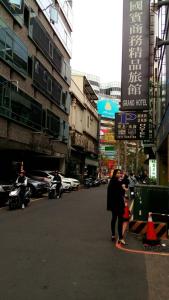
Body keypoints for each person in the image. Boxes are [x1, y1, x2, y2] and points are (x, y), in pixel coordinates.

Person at [107, 169, 126, 245]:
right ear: (115, 174)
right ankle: (119, 237)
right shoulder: (116, 182)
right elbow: (121, 192)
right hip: (117, 204)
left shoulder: (113, 182)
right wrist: (123, 187)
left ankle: (114, 235)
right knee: (119, 220)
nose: (119, 174)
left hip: (115, 204)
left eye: (119, 173)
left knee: (115, 219)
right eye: (118, 173)